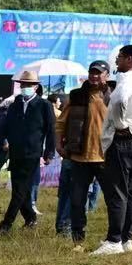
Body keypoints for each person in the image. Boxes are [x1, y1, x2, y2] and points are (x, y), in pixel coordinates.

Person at [94, 44, 132, 256]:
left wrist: (120, 125)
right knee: (130, 193)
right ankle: (127, 239)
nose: (116, 61)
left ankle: (113, 241)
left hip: (124, 142)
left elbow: (120, 100)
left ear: (129, 59)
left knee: (117, 192)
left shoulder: (128, 78)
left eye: (119, 57)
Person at [0, 70, 57, 233]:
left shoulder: (44, 105)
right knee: (20, 190)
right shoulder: (15, 105)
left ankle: (5, 225)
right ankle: (30, 218)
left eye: (29, 85)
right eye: (23, 84)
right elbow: (3, 128)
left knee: (20, 191)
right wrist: (0, 143)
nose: (25, 87)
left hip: (32, 153)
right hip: (15, 153)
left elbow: (51, 131)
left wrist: (49, 153)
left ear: (36, 87)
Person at [55, 62, 109, 247]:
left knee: (113, 200)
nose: (94, 76)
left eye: (98, 73)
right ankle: (78, 239)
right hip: (79, 157)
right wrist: (58, 144)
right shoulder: (77, 95)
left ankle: (117, 236)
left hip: (105, 157)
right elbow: (61, 122)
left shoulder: (112, 96)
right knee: (77, 201)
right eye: (92, 73)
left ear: (106, 76)